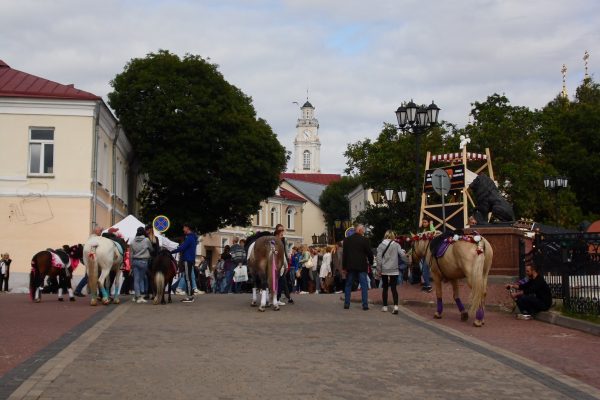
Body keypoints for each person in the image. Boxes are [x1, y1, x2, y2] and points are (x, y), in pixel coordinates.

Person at [376, 230, 408, 314]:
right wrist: (408, 262)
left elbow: (378, 259)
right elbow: (402, 255)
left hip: (384, 270)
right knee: (394, 288)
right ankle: (396, 306)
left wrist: (379, 269)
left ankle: (385, 306)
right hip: (394, 269)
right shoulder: (397, 245)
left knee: (385, 288)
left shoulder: (381, 245)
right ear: (393, 236)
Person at [342, 224, 374, 310]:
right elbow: (369, 253)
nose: (364, 231)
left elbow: (344, 255)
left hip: (350, 266)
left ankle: (346, 304)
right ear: (359, 230)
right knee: (364, 285)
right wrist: (371, 262)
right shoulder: (365, 240)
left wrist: (344, 267)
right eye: (363, 230)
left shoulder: (347, 240)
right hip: (361, 266)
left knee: (348, 284)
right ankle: (365, 305)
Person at [171, 223, 198, 303]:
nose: (183, 229)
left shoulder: (189, 238)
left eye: (184, 228)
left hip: (187, 259)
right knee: (188, 277)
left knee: (187, 278)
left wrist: (172, 251)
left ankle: (190, 297)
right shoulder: (192, 237)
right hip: (190, 259)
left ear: (187, 228)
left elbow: (182, 248)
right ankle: (189, 296)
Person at [130, 226, 153, 303]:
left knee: (136, 280)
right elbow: (151, 249)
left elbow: (131, 254)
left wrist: (131, 264)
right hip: (143, 262)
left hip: (135, 261)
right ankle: (139, 297)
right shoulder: (146, 240)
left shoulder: (132, 241)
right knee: (141, 279)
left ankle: (137, 296)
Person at [274, 224, 293, 305]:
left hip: (282, 262)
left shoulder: (283, 240)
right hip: (276, 263)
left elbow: (286, 251)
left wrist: (287, 260)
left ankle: (284, 297)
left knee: (283, 280)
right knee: (280, 281)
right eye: (280, 231)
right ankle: (278, 298)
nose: (282, 232)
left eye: (283, 230)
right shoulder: (273, 239)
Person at [419, 218, 435, 292]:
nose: (424, 223)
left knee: (425, 270)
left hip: (428, 253)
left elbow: (433, 232)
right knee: (424, 270)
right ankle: (426, 284)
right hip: (423, 253)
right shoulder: (423, 230)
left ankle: (428, 286)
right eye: (423, 222)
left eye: (425, 222)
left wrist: (431, 224)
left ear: (428, 223)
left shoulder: (430, 229)